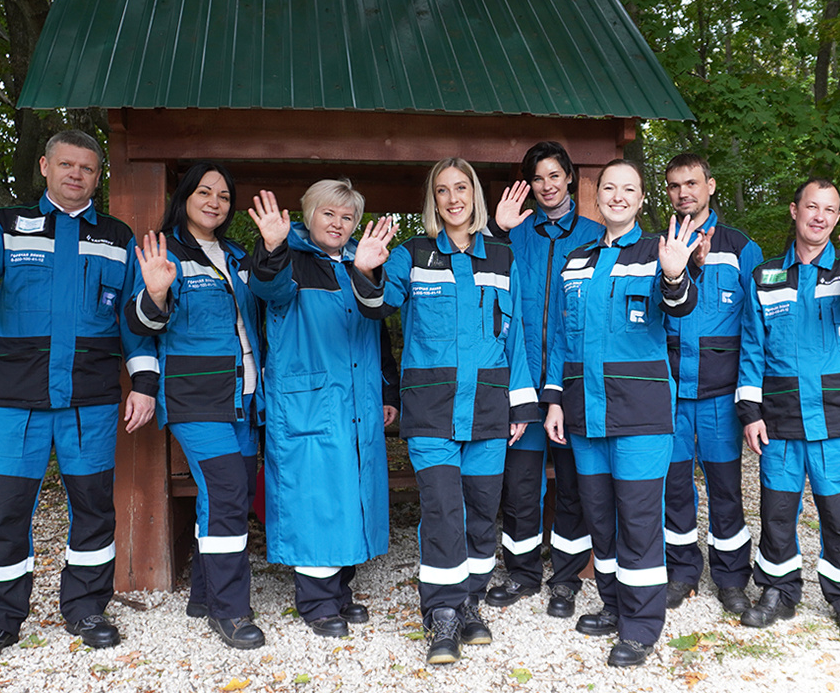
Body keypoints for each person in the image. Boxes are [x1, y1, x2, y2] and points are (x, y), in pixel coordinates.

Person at [0, 130, 158, 664]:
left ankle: (87, 607)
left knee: (93, 507)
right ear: (45, 166)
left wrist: (143, 384)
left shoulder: (117, 236)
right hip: (17, 398)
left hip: (89, 398)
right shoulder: (6, 224)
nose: (76, 174)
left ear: (98, 177)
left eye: (87, 168)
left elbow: (133, 323)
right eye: (66, 164)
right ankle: (0, 617)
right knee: (3, 508)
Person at [351, 158, 537, 664]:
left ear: (474, 195)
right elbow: (378, 305)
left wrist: (520, 404)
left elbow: (516, 335)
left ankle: (470, 599)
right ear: (432, 200)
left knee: (480, 512)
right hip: (431, 408)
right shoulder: (412, 254)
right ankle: (442, 613)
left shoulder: (501, 254)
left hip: (489, 405)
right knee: (441, 510)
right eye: (442, 190)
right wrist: (365, 266)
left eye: (461, 188)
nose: (453, 198)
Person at [543, 159, 708, 667]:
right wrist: (553, 398)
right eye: (609, 187)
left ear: (640, 199)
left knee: (638, 522)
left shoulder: (660, 252)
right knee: (602, 521)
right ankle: (614, 607)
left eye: (628, 189)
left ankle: (640, 626)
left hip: (640, 415)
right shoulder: (574, 259)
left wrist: (677, 272)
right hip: (585, 413)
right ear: (597, 195)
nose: (617, 195)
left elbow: (679, 305)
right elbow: (559, 337)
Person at [735, 178, 840, 643]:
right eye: (812, 206)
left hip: (837, 415)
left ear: (838, 219)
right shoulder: (764, 276)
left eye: (830, 209)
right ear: (794, 211)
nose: (820, 216)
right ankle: (779, 591)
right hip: (780, 418)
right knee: (777, 512)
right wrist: (750, 411)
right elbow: (751, 348)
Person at [246, 180, 399, 639]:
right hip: (310, 402)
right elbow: (268, 290)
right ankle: (316, 601)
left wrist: (388, 393)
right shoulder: (287, 259)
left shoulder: (361, 261)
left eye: (347, 217)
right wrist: (273, 247)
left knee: (351, 493)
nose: (338, 224)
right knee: (315, 498)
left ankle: (340, 590)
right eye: (328, 214)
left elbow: (378, 329)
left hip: (357, 401)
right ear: (308, 216)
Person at [127, 163, 266, 649]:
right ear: (185, 196)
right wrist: (157, 293)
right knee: (227, 490)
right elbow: (138, 323)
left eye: (224, 196)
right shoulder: (160, 248)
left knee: (229, 491)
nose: (214, 201)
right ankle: (231, 612)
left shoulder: (237, 254)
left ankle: (204, 595)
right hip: (194, 395)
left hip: (245, 395)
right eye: (204, 191)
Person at [484, 142, 604, 618]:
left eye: (555, 175)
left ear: (570, 177)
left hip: (573, 382)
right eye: (538, 178)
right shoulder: (516, 236)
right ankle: (522, 572)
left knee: (573, 482)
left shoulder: (597, 235)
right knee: (520, 483)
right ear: (529, 185)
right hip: (521, 382)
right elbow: (482, 272)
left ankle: (567, 578)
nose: (547, 185)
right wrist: (496, 228)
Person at [661, 154, 763, 613]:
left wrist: (750, 398)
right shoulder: (655, 246)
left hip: (721, 397)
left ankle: (730, 577)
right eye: (675, 185)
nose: (684, 192)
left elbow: (757, 328)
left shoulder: (742, 247)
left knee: (726, 489)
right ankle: (681, 572)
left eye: (692, 183)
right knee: (675, 488)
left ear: (711, 186)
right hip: (671, 396)